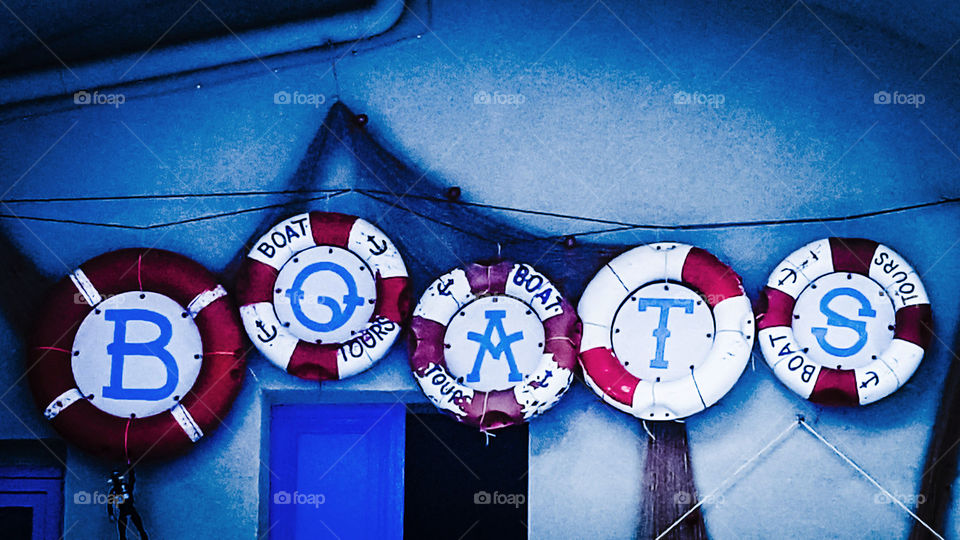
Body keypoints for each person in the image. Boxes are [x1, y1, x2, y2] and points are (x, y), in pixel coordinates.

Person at [107, 468, 148, 540]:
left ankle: (144, 538)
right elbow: (109, 503)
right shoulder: (113, 491)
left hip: (130, 509)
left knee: (140, 528)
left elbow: (132, 480)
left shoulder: (125, 486)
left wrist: (131, 469)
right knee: (122, 533)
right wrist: (110, 514)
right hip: (123, 511)